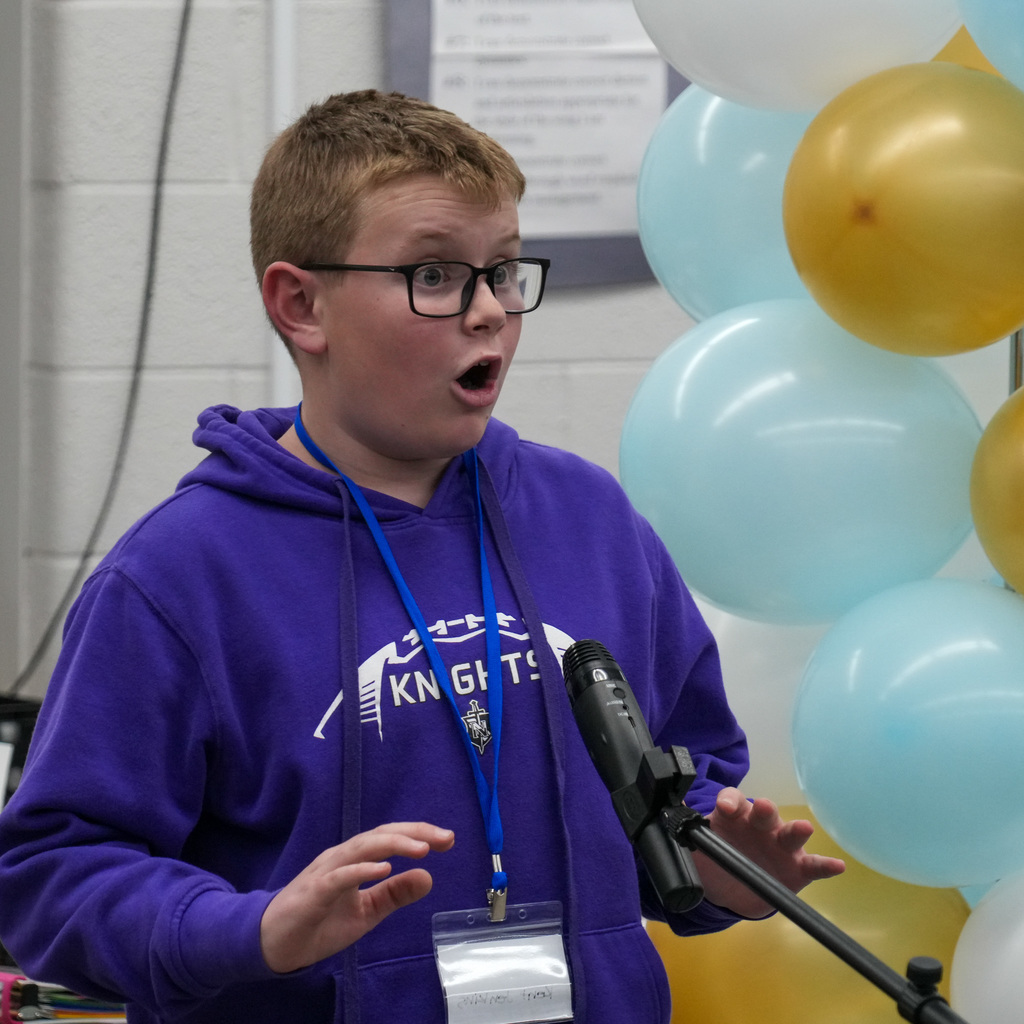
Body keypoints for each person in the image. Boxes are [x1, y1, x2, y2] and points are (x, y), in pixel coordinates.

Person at [0, 90, 843, 1024]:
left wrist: (721, 872)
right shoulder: (175, 579)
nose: (489, 312)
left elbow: (682, 790)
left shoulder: (591, 518)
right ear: (301, 305)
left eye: (505, 271)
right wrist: (253, 929)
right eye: (436, 276)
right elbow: (50, 876)